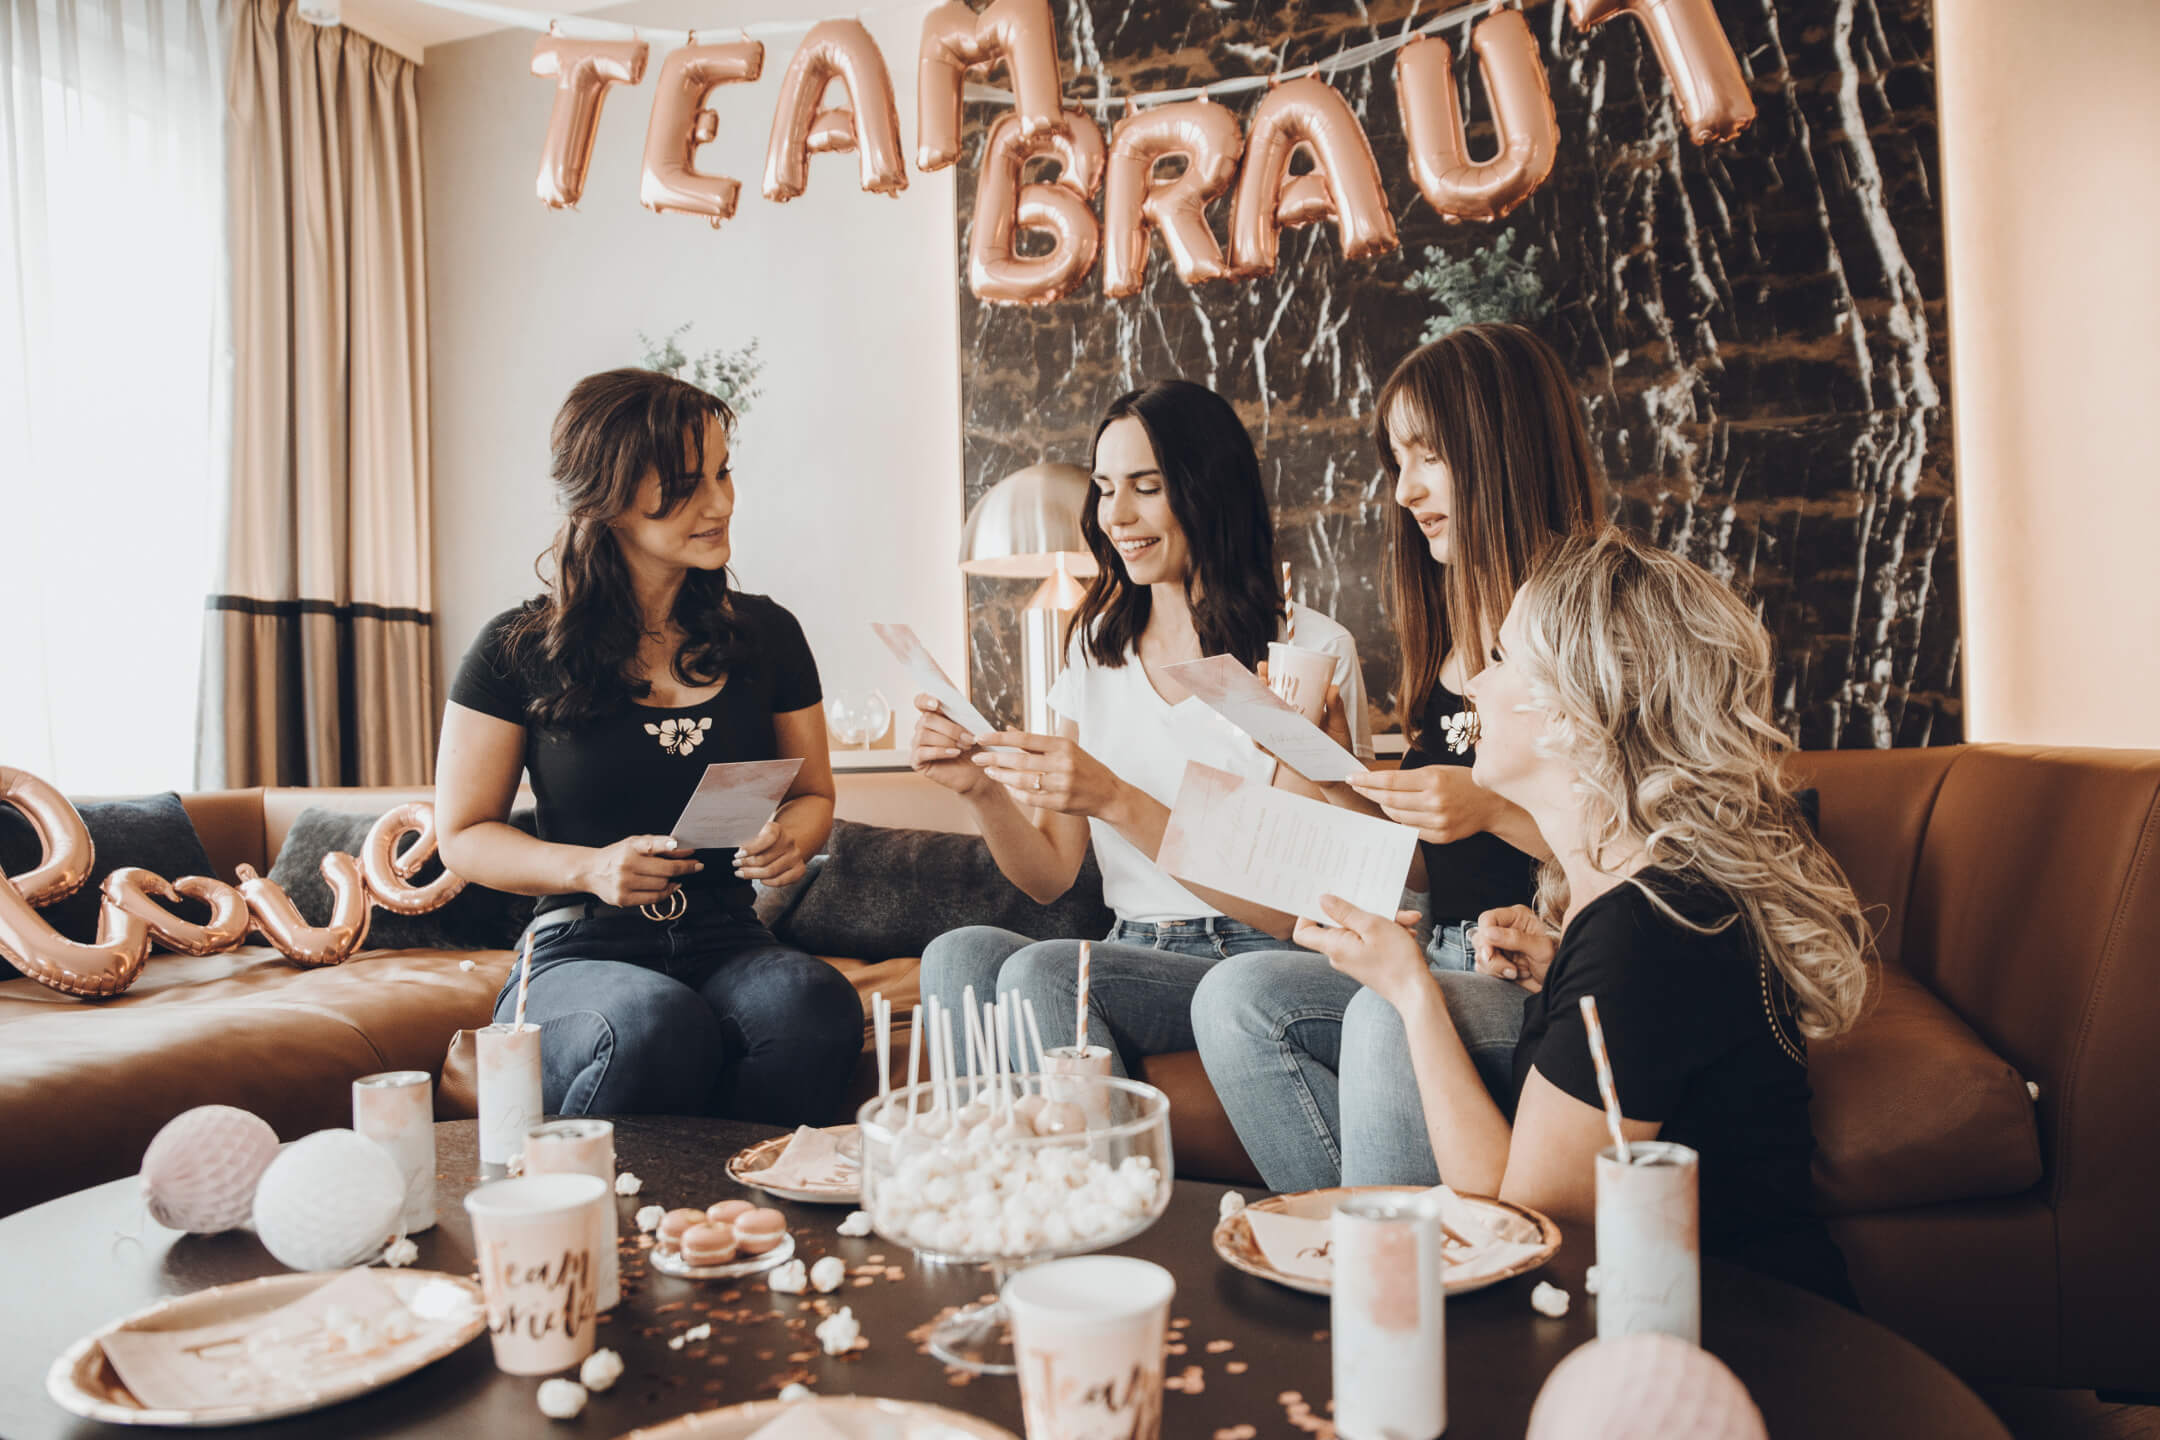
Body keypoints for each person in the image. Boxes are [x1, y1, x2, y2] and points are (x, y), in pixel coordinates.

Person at [1288, 529, 1870, 1303]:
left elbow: (1521, 1222)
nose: (1475, 688)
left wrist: (1410, 990)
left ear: (1575, 707)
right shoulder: (1645, 898)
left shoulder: (1645, 934)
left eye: (1500, 661)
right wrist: (1563, 972)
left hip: (1733, 1340)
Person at [1193, 323, 1603, 1190]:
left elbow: (1644, 857)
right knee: (1233, 998)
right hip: (1441, 944)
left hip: (1535, 967)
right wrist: (1335, 767)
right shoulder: (1450, 635)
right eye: (1397, 461)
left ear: (1502, 451)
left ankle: (1395, 1285)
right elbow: (1418, 869)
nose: (1406, 490)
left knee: (1385, 1018)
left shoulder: (1591, 626)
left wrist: (1493, 809)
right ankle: (1351, 1251)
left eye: (1430, 456)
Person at [434, 368, 861, 1125]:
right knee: (654, 1023)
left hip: (729, 932)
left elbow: (813, 796)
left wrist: (788, 840)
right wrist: (589, 868)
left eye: (724, 473)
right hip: (576, 949)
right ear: (607, 497)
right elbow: (463, 837)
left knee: (811, 1004)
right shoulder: (514, 648)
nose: (721, 503)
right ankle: (617, 1228)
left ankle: (746, 1216)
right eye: (686, 484)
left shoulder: (769, 636)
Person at [913, 379, 1371, 1075]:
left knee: (1048, 976)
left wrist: (1117, 799)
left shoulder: (1307, 653)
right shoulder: (1094, 646)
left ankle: (1085, 1180)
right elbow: (1048, 875)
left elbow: (1290, 908)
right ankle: (994, 1177)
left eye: (1146, 486)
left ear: (1208, 490)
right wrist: (979, 791)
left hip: (1257, 957)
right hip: (1134, 947)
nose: (1115, 514)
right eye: (1103, 487)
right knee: (961, 955)